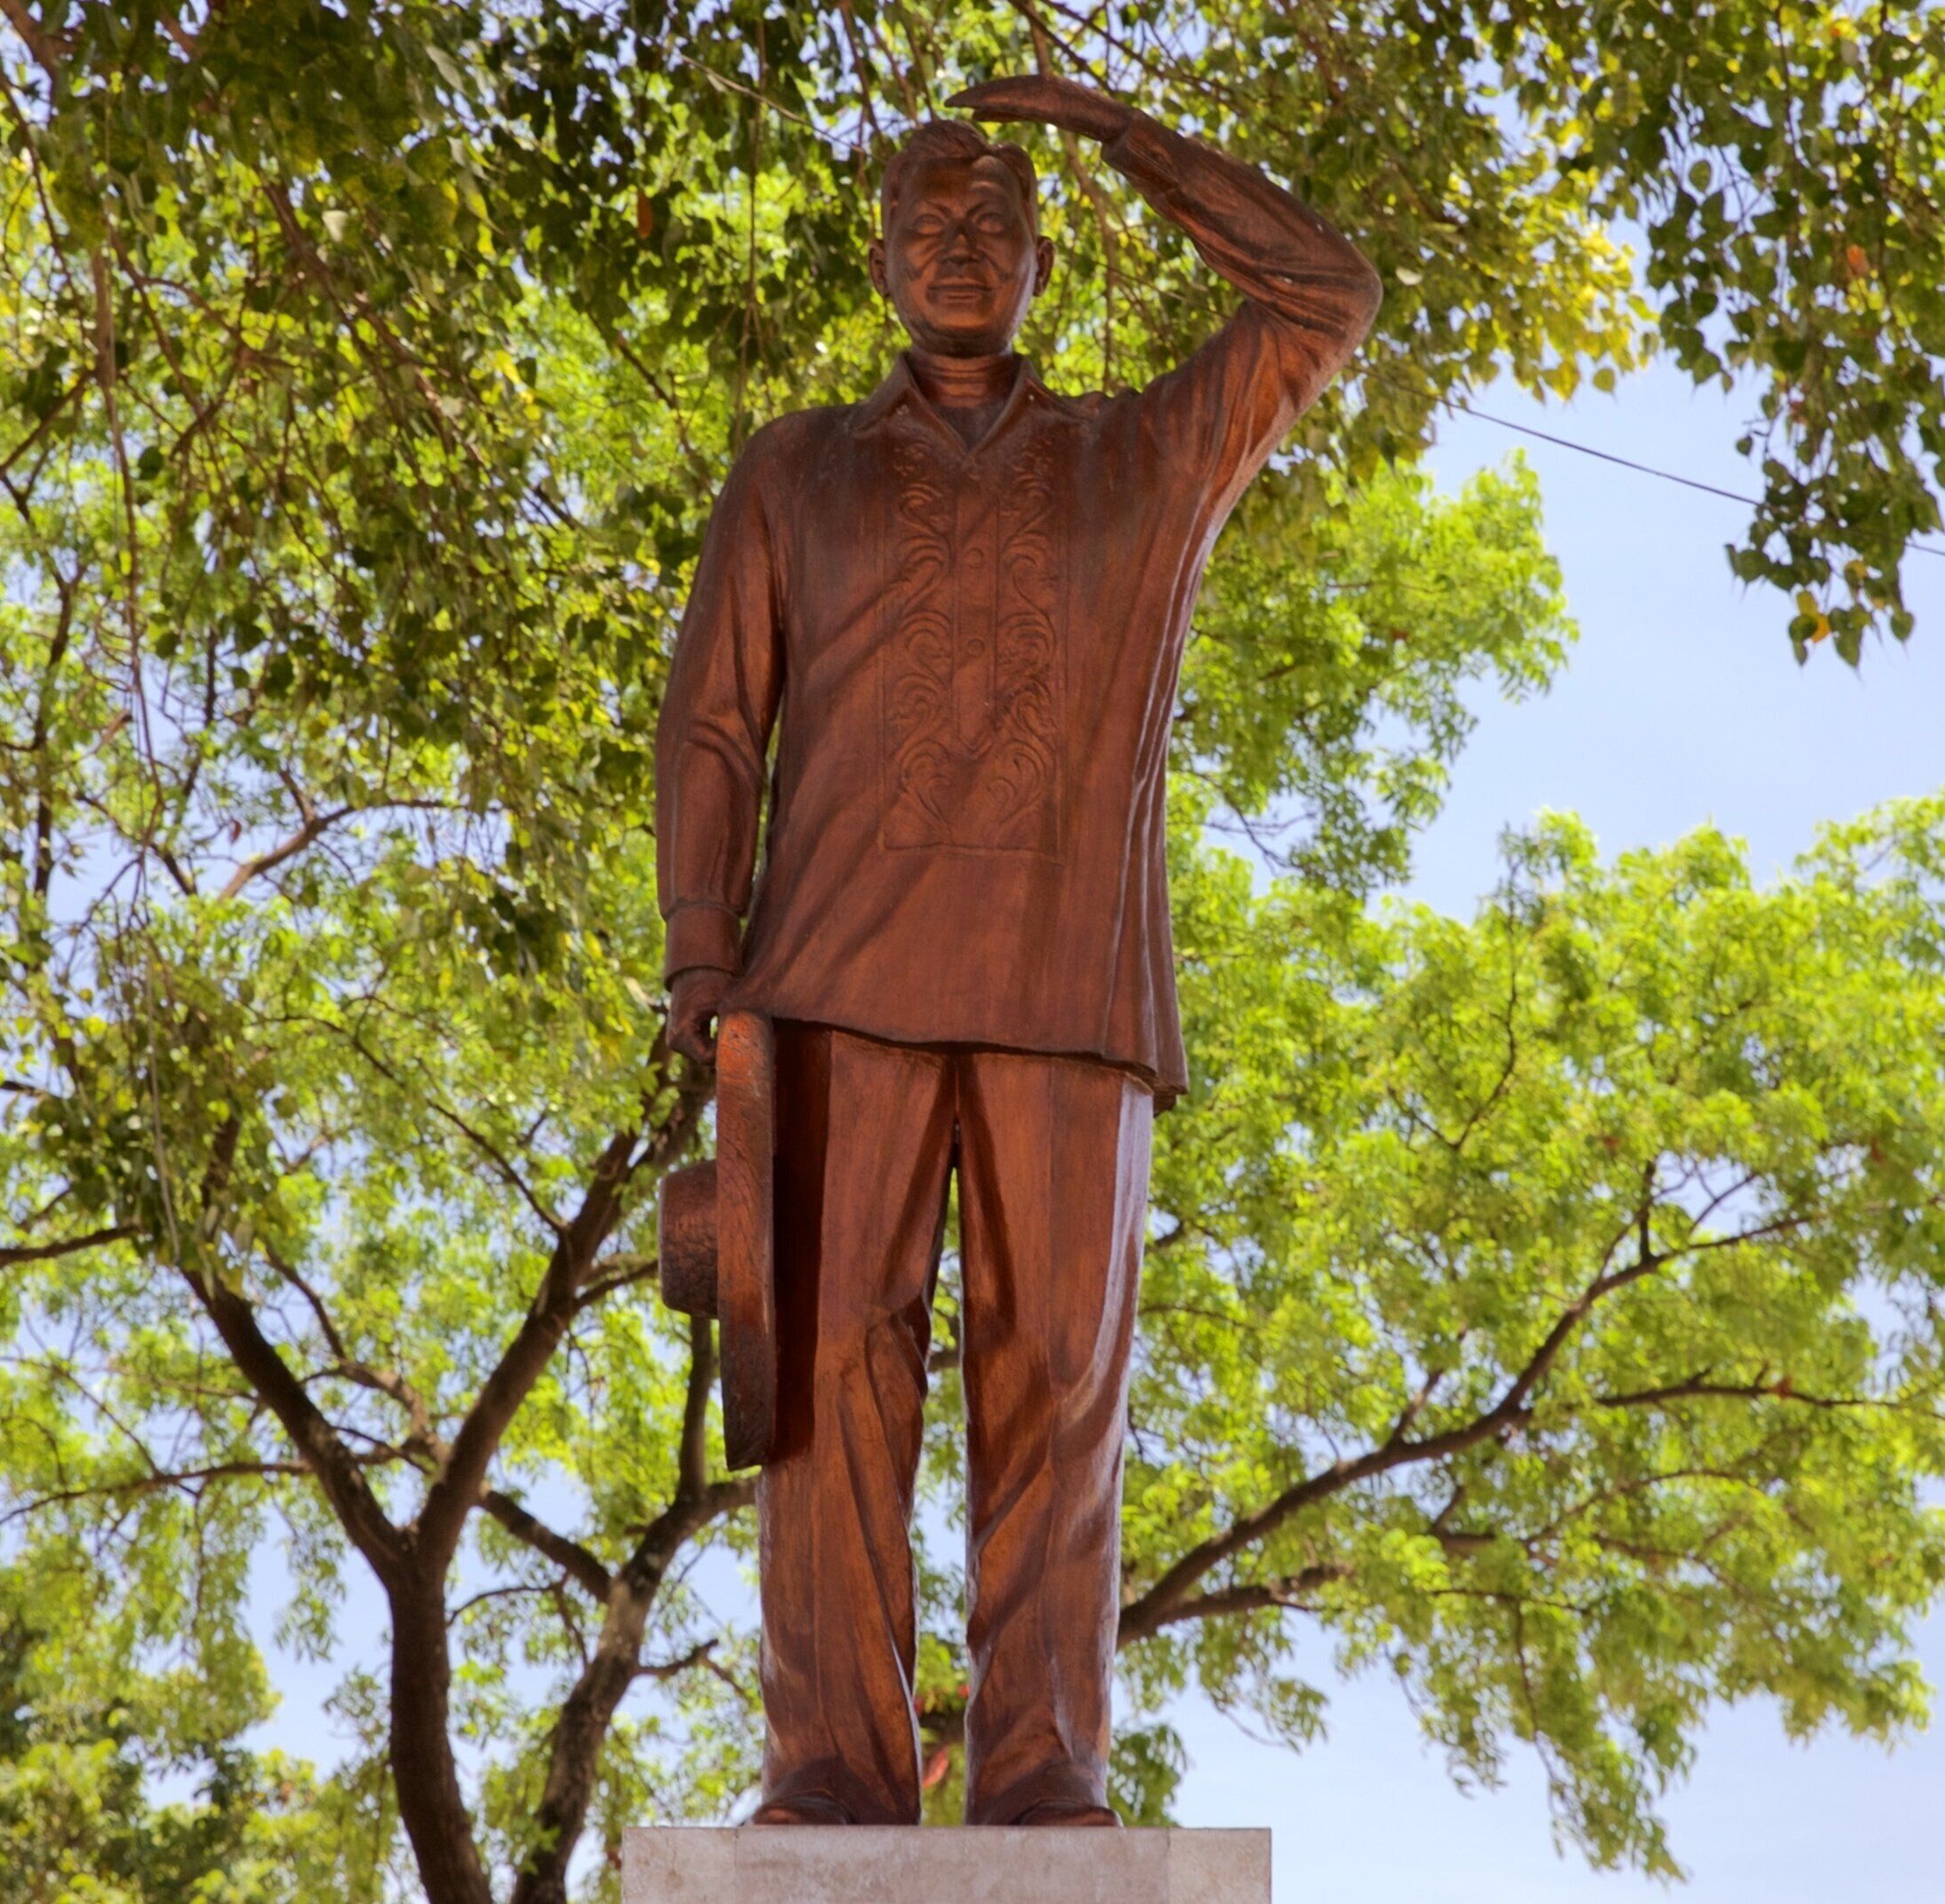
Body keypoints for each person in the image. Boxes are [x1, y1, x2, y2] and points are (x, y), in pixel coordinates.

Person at [652, 73, 1379, 1829]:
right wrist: (698, 951)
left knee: (1058, 1374)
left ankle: (1045, 1758)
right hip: (826, 991)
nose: (960, 248)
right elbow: (713, 718)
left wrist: (1131, 137)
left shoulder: (1143, 456)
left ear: (1047, 256)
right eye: (927, 224)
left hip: (1071, 990)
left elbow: (1327, 295)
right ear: (880, 265)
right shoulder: (795, 468)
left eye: (995, 222)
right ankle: (831, 1763)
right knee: (827, 1380)